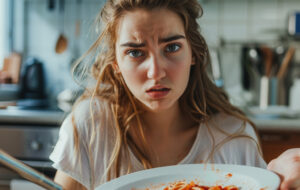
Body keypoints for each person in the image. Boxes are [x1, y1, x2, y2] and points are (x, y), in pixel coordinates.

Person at [49, 0, 282, 189]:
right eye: (134, 52)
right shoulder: (91, 126)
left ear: (193, 53)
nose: (156, 72)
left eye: (171, 47)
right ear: (116, 64)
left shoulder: (233, 139)